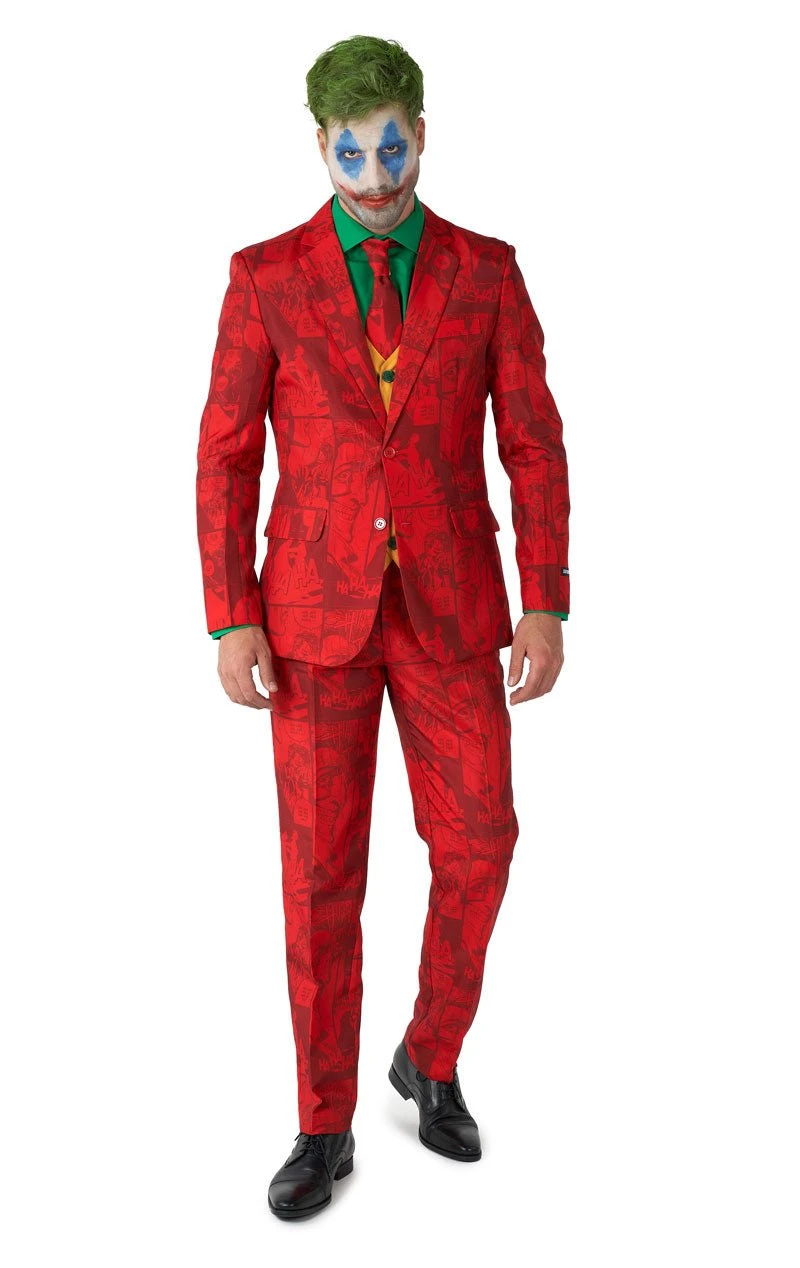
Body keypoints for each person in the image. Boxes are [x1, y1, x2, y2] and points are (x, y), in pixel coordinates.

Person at [195, 33, 570, 1220]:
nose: (373, 173)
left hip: (453, 610)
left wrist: (546, 597)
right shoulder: (264, 276)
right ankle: (322, 1119)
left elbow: (531, 444)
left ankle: (429, 1052)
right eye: (349, 152)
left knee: (481, 838)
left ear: (421, 133)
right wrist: (229, 613)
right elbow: (225, 455)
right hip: (311, 617)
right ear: (319, 145)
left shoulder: (486, 271)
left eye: (391, 145)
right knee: (320, 875)